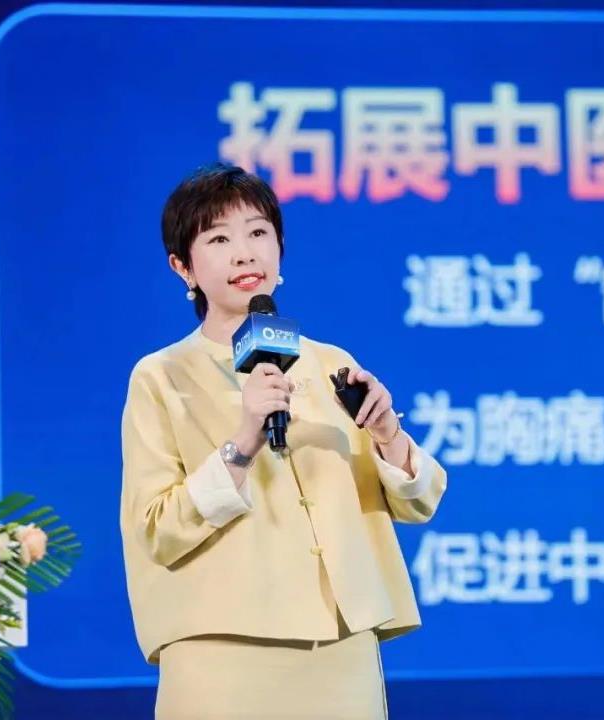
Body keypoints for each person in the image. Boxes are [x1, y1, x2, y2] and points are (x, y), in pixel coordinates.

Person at [119, 163, 447, 719]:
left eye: (258, 233)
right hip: (221, 655)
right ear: (183, 267)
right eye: (218, 239)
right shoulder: (161, 377)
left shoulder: (331, 363)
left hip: (341, 649)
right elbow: (157, 530)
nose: (244, 254)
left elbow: (419, 503)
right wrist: (242, 444)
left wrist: (388, 434)